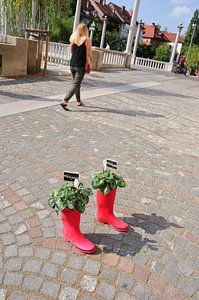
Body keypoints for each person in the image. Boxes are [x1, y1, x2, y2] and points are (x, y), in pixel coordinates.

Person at [60, 23, 92, 111]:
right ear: (85, 30)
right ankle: (65, 101)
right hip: (80, 65)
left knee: (77, 84)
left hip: (72, 64)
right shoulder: (87, 40)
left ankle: (78, 101)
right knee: (75, 84)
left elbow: (71, 51)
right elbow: (88, 55)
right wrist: (89, 63)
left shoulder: (73, 39)